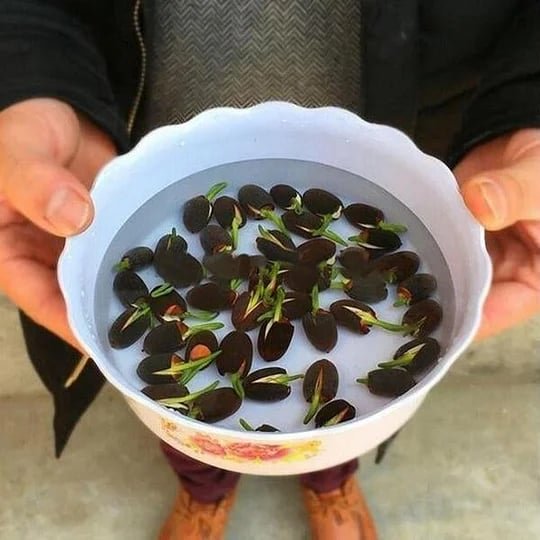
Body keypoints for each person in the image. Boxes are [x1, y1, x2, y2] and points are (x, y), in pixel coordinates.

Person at [1, 1, 539, 539]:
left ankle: (329, 482)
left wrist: (524, 110)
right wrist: (29, 80)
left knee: (343, 424)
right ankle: (204, 491)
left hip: (396, 104)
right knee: (188, 428)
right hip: (137, 125)